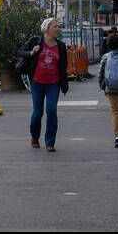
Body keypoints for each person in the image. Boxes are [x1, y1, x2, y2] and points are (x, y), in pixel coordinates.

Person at [17, 17, 70, 151]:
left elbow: (63, 66)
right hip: (37, 82)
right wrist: (32, 52)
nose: (58, 29)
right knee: (37, 112)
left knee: (51, 111)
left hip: (54, 82)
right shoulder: (36, 41)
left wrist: (64, 83)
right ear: (47, 28)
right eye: (55, 26)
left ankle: (50, 142)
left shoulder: (61, 46)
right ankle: (35, 137)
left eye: (58, 26)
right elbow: (20, 52)